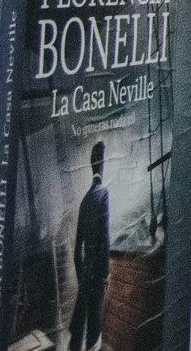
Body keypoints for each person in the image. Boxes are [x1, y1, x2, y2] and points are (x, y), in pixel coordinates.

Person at [70, 141, 109, 351]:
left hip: (85, 274)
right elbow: (105, 239)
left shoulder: (84, 201)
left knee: (79, 326)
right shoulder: (103, 195)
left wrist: (82, 276)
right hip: (97, 274)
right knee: (95, 330)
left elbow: (77, 250)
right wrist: (105, 274)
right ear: (102, 164)